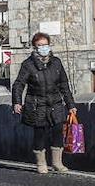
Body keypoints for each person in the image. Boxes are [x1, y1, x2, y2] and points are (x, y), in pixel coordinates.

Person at [11, 31, 76, 175]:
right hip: (36, 105)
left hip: (55, 103)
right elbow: (19, 84)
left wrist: (71, 105)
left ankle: (57, 163)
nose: (43, 48)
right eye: (40, 45)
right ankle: (41, 163)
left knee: (58, 131)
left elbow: (64, 85)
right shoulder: (28, 65)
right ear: (35, 47)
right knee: (40, 133)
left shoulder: (56, 63)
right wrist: (17, 102)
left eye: (45, 45)